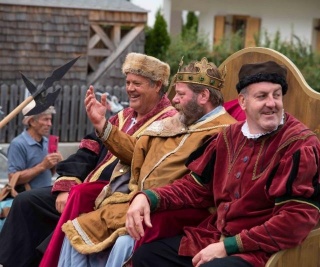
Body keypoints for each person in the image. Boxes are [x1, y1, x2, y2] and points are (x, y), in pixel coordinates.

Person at [127, 61, 320, 267]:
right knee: (148, 256)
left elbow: (294, 221)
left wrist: (229, 246)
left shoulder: (299, 145)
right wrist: (147, 198)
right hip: (213, 238)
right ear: (243, 102)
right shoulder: (228, 137)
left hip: (261, 252)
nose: (272, 103)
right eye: (262, 96)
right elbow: (194, 188)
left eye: (277, 95)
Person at [56, 57, 238, 267]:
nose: (175, 100)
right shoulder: (177, 122)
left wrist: (150, 198)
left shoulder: (224, 132)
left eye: (180, 94)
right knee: (76, 230)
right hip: (137, 201)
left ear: (204, 96)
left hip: (173, 209)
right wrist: (103, 126)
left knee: (124, 242)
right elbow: (137, 153)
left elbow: (198, 189)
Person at [0, 52, 176, 267]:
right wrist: (67, 182)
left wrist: (103, 126)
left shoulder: (169, 122)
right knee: (25, 202)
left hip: (119, 196)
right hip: (86, 186)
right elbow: (87, 150)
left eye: (136, 83)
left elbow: (141, 158)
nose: (129, 89)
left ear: (157, 85)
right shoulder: (123, 116)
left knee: (75, 200)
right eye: (128, 82)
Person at [0, 101, 62, 231]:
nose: (49, 124)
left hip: (44, 202)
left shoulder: (46, 142)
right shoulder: (18, 144)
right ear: (32, 121)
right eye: (45, 119)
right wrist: (42, 166)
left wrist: (55, 163)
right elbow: (13, 178)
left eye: (50, 120)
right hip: (28, 204)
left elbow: (48, 174)